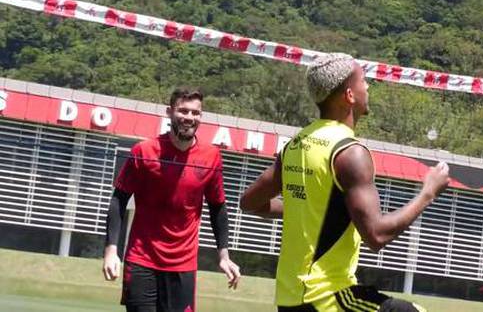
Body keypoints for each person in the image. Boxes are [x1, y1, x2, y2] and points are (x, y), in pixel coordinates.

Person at [241, 53, 450, 312]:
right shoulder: (350, 152)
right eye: (364, 80)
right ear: (350, 95)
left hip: (290, 299)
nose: (369, 86)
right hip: (329, 297)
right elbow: (376, 235)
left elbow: (250, 202)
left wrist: (310, 214)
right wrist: (428, 192)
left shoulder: (296, 144)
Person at [102, 87, 240, 312]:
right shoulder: (143, 151)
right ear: (169, 112)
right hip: (141, 261)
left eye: (195, 113)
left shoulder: (211, 157)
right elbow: (118, 200)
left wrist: (224, 255)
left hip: (183, 266)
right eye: (183, 111)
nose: (189, 118)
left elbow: (217, 207)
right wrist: (110, 250)